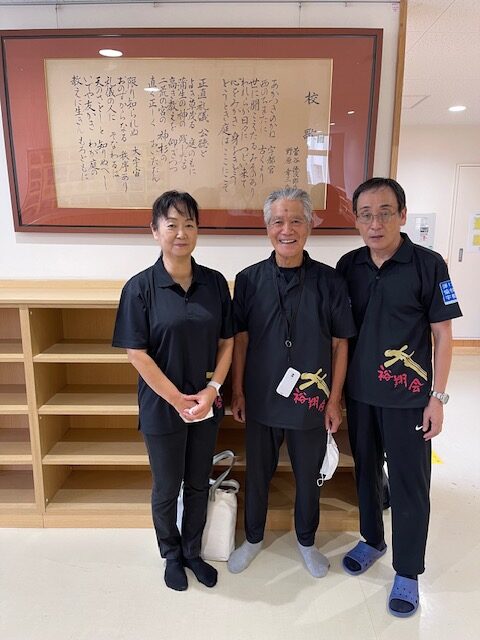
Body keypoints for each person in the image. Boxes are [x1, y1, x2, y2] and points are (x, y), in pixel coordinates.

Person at [336, 177, 462, 617]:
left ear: (403, 215)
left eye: (385, 213)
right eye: (366, 215)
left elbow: (443, 335)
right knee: (367, 473)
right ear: (356, 220)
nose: (375, 223)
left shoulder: (429, 265)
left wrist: (437, 398)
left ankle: (407, 570)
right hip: (361, 395)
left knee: (410, 484)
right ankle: (372, 539)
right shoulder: (348, 265)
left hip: (409, 398)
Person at [228, 187, 356, 577]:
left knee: (308, 476)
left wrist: (334, 400)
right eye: (278, 221)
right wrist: (237, 391)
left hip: (311, 401)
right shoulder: (248, 280)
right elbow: (240, 340)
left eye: (296, 220)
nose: (287, 230)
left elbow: (340, 344)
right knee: (258, 474)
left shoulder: (331, 281)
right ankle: (253, 538)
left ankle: (306, 541)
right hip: (261, 397)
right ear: (267, 227)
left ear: (310, 225)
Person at [112, 190, 233, 592]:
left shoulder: (215, 283)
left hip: (206, 403)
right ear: (155, 231)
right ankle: (171, 554)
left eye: (189, 224)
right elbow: (137, 353)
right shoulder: (140, 288)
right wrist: (177, 399)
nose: (182, 233)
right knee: (167, 487)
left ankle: (193, 552)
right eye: (172, 225)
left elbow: (227, 342)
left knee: (199, 482)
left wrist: (212, 390)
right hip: (163, 406)